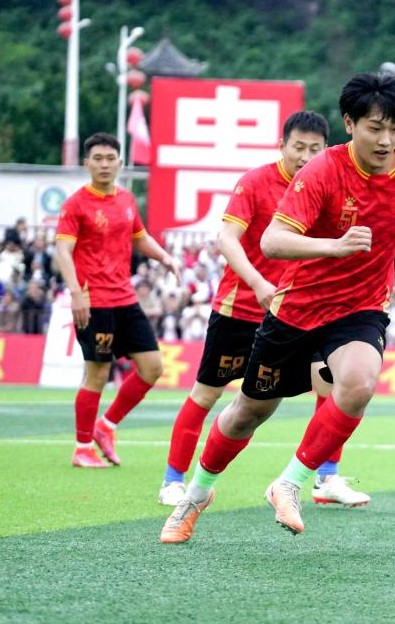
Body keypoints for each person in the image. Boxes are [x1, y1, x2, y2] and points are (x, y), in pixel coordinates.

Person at [160, 72, 395, 543]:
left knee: (359, 383)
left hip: (360, 307)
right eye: (375, 128)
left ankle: (290, 482)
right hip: (297, 309)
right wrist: (335, 246)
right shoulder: (322, 172)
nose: (386, 140)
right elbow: (271, 242)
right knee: (247, 412)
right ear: (350, 124)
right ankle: (197, 492)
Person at [157, 112, 367, 509]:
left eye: (315, 149)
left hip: (301, 311)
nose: (305, 156)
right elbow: (227, 239)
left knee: (332, 387)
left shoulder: (328, 185)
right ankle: (173, 480)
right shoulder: (255, 182)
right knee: (208, 394)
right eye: (298, 147)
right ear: (281, 145)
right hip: (242, 310)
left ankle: (326, 478)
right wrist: (257, 283)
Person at [55, 133, 180, 468]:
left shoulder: (126, 199)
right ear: (87, 163)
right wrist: (76, 293)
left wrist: (165, 257)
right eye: (97, 158)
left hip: (125, 299)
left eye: (110, 158)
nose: (104, 164)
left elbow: (140, 237)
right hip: (93, 302)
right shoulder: (76, 204)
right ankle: (82, 447)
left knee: (153, 367)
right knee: (97, 373)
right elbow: (63, 251)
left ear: (120, 163)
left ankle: (106, 426)